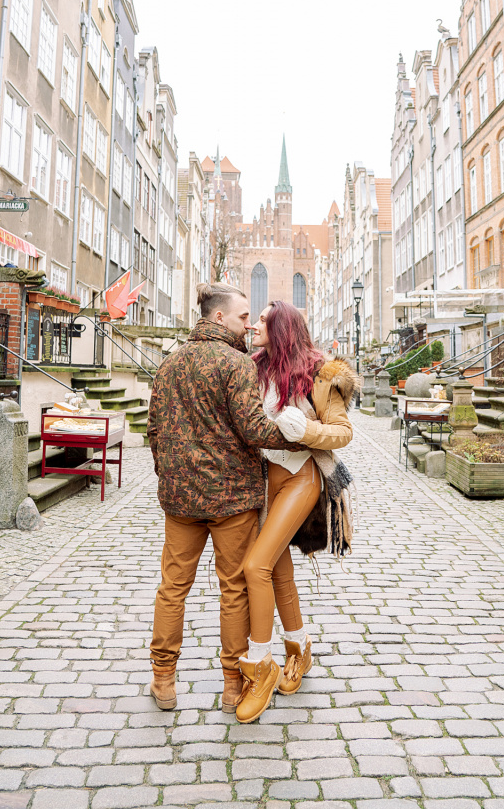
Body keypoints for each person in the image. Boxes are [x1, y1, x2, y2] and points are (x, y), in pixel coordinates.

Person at [146, 282, 304, 713]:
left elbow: (154, 429)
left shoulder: (170, 363)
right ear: (219, 317)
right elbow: (254, 428)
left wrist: (170, 474)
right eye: (243, 317)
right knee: (233, 589)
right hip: (233, 500)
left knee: (172, 588)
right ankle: (233, 685)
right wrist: (299, 436)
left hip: (181, 501)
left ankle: (164, 678)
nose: (249, 324)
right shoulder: (236, 364)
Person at [235, 300, 357, 723]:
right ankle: (299, 650)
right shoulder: (253, 368)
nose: (253, 325)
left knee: (255, 566)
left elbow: (342, 432)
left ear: (281, 327)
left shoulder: (319, 374)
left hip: (301, 477)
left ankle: (260, 666)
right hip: (265, 480)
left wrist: (305, 430)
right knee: (277, 571)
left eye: (262, 320)